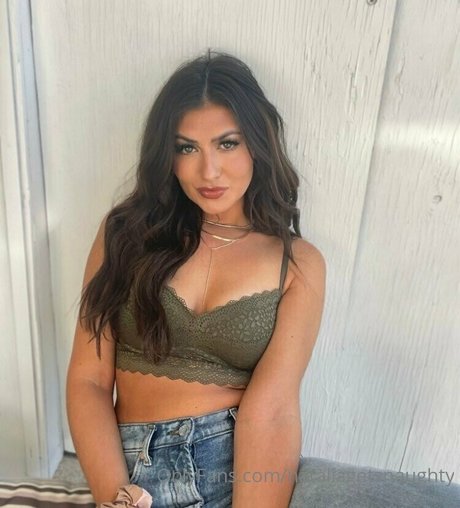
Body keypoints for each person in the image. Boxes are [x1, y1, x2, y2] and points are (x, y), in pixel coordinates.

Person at [66, 49, 326, 508]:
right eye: (187, 148)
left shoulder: (298, 264)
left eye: (227, 143)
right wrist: (116, 497)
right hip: (131, 476)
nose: (209, 171)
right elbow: (88, 379)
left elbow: (273, 412)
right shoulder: (125, 234)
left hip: (234, 472)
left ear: (257, 144)